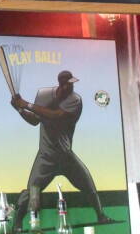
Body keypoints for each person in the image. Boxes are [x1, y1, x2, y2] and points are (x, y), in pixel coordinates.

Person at [10, 70, 110, 231]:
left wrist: (26, 105)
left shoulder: (75, 100)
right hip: (46, 157)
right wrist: (20, 109)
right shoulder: (43, 95)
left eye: (72, 84)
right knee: (32, 192)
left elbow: (56, 115)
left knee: (88, 184)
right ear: (62, 85)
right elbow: (35, 120)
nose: (71, 86)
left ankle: (101, 216)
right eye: (68, 84)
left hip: (65, 157)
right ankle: (17, 225)